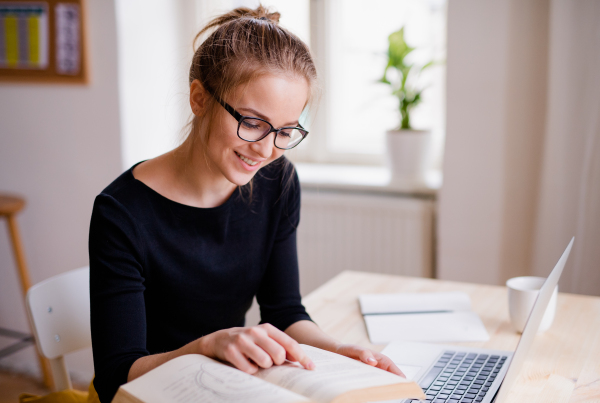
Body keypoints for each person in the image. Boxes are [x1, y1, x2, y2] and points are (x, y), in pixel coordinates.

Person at [89, 5, 403, 403]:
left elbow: (284, 310)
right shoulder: (122, 212)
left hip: (225, 387)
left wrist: (339, 351)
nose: (268, 149)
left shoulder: (278, 181)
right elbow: (116, 377)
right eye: (252, 122)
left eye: (286, 131)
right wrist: (206, 347)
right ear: (199, 98)